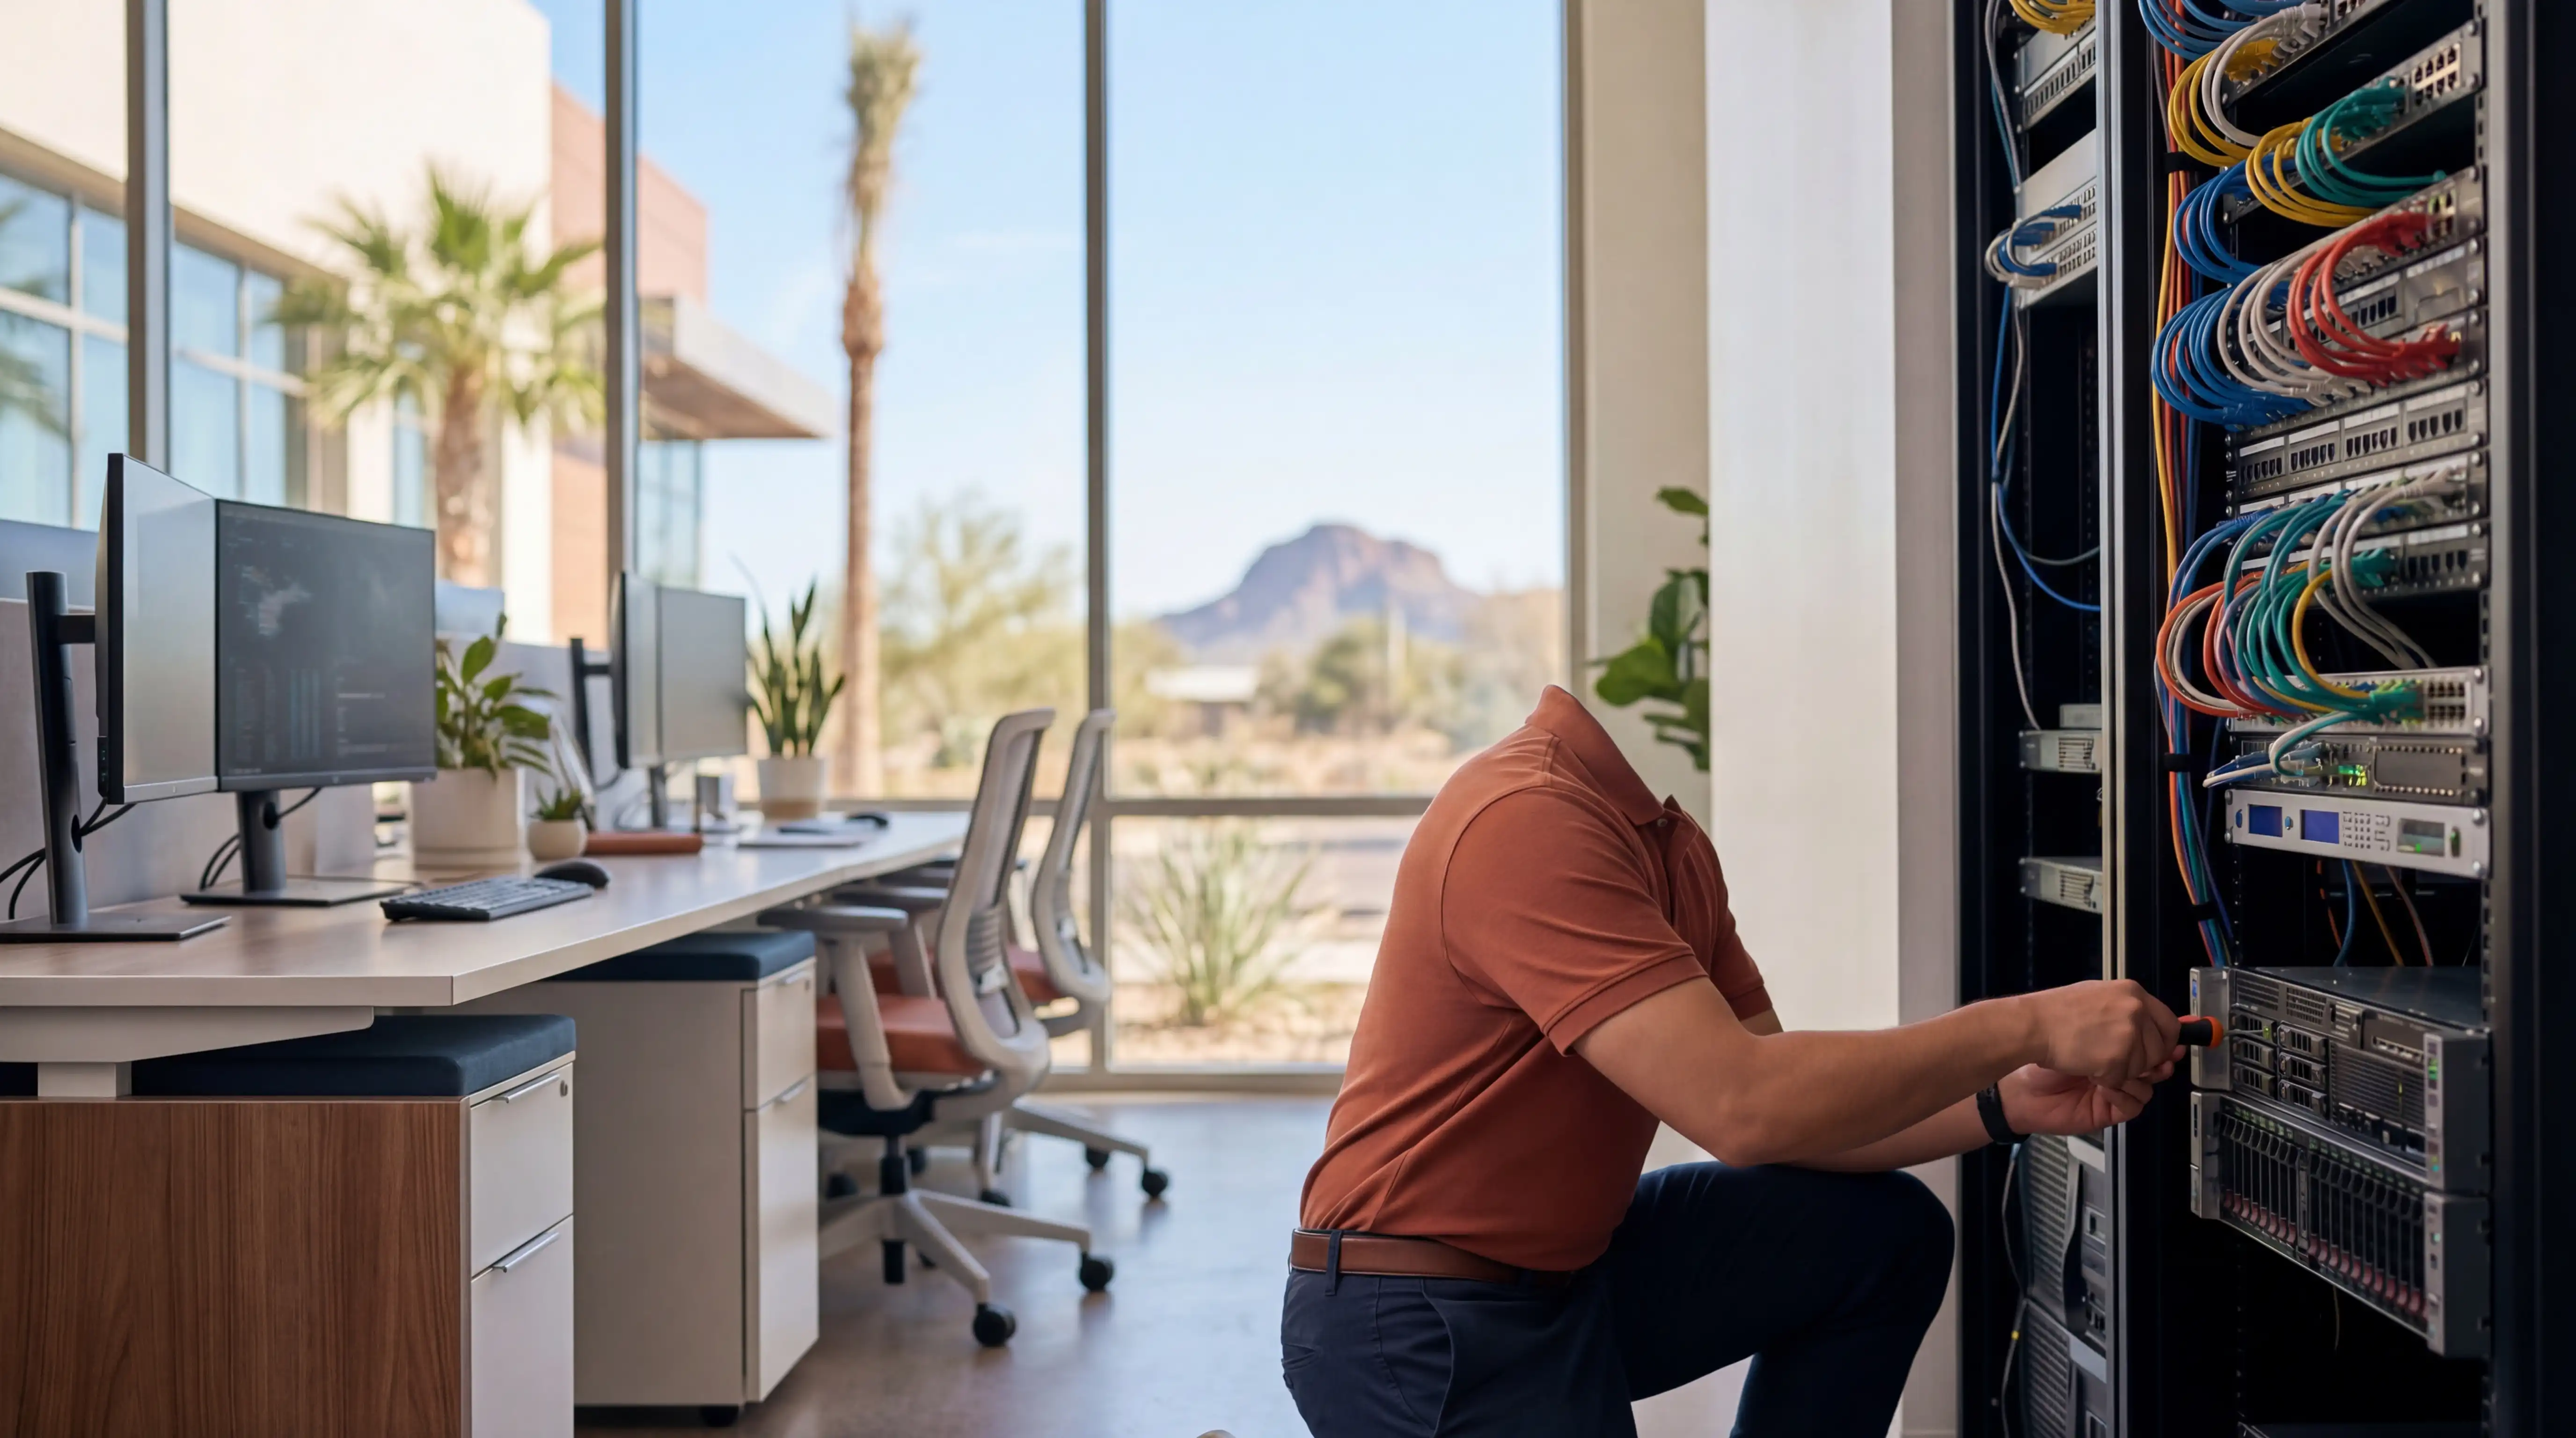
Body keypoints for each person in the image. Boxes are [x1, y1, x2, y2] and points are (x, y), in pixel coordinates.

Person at [1283, 687, 2180, 1437]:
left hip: (1569, 1281)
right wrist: (2027, 1025)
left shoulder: (1667, 848)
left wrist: (2004, 1103)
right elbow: (1742, 1108)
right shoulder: (1525, 820)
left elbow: (1788, 1112)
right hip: (1415, 1315)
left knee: (1880, 1239)